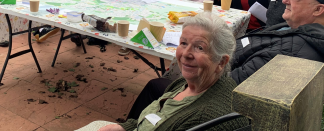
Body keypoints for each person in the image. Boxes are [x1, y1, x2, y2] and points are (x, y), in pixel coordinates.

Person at [125, 0, 324, 120]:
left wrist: (201, 65)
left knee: (155, 85)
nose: (285, 0)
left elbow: (232, 87)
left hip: (212, 102)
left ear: (319, 10)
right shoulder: (310, 32)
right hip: (221, 73)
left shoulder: (297, 53)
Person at [80, 13, 249, 131]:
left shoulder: (209, 119)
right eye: (183, 43)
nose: (185, 54)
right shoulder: (186, 84)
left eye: (199, 47)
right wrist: (126, 127)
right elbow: (156, 116)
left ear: (221, 62)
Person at [231, 0, 324, 88]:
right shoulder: (305, 30)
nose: (285, 1)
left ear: (318, 9)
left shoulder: (292, 54)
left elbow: (230, 86)